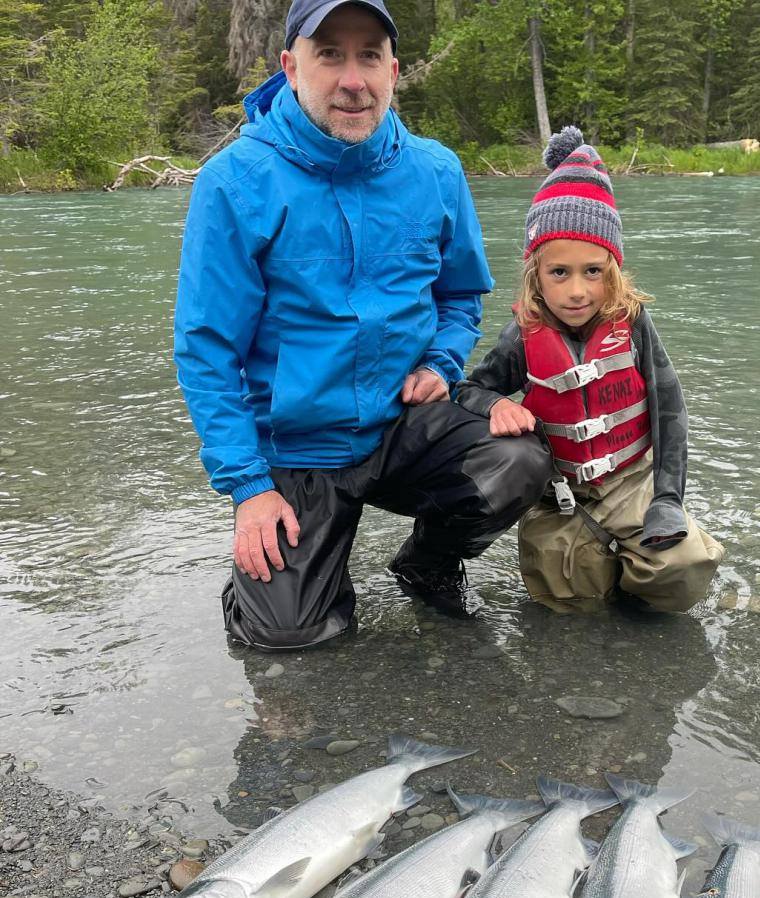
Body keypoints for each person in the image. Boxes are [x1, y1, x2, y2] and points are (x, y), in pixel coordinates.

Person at [173, 0, 551, 648]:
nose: (354, 79)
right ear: (291, 67)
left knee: (515, 460)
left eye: (369, 56)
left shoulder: (435, 172)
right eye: (330, 55)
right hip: (297, 445)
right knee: (294, 638)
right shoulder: (234, 181)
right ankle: (272, 587)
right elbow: (208, 351)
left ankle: (427, 563)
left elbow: (460, 298)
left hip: (401, 423)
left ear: (393, 71)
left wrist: (440, 363)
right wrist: (247, 489)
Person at [456, 127, 724, 613]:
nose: (577, 290)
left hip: (631, 481)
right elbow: (469, 389)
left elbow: (671, 415)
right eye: (559, 273)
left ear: (613, 269)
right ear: (536, 273)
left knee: (681, 568)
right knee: (570, 608)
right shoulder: (522, 335)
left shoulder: (635, 324)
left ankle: (639, 596)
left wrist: (668, 497)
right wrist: (495, 403)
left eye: (593, 271)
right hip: (558, 495)